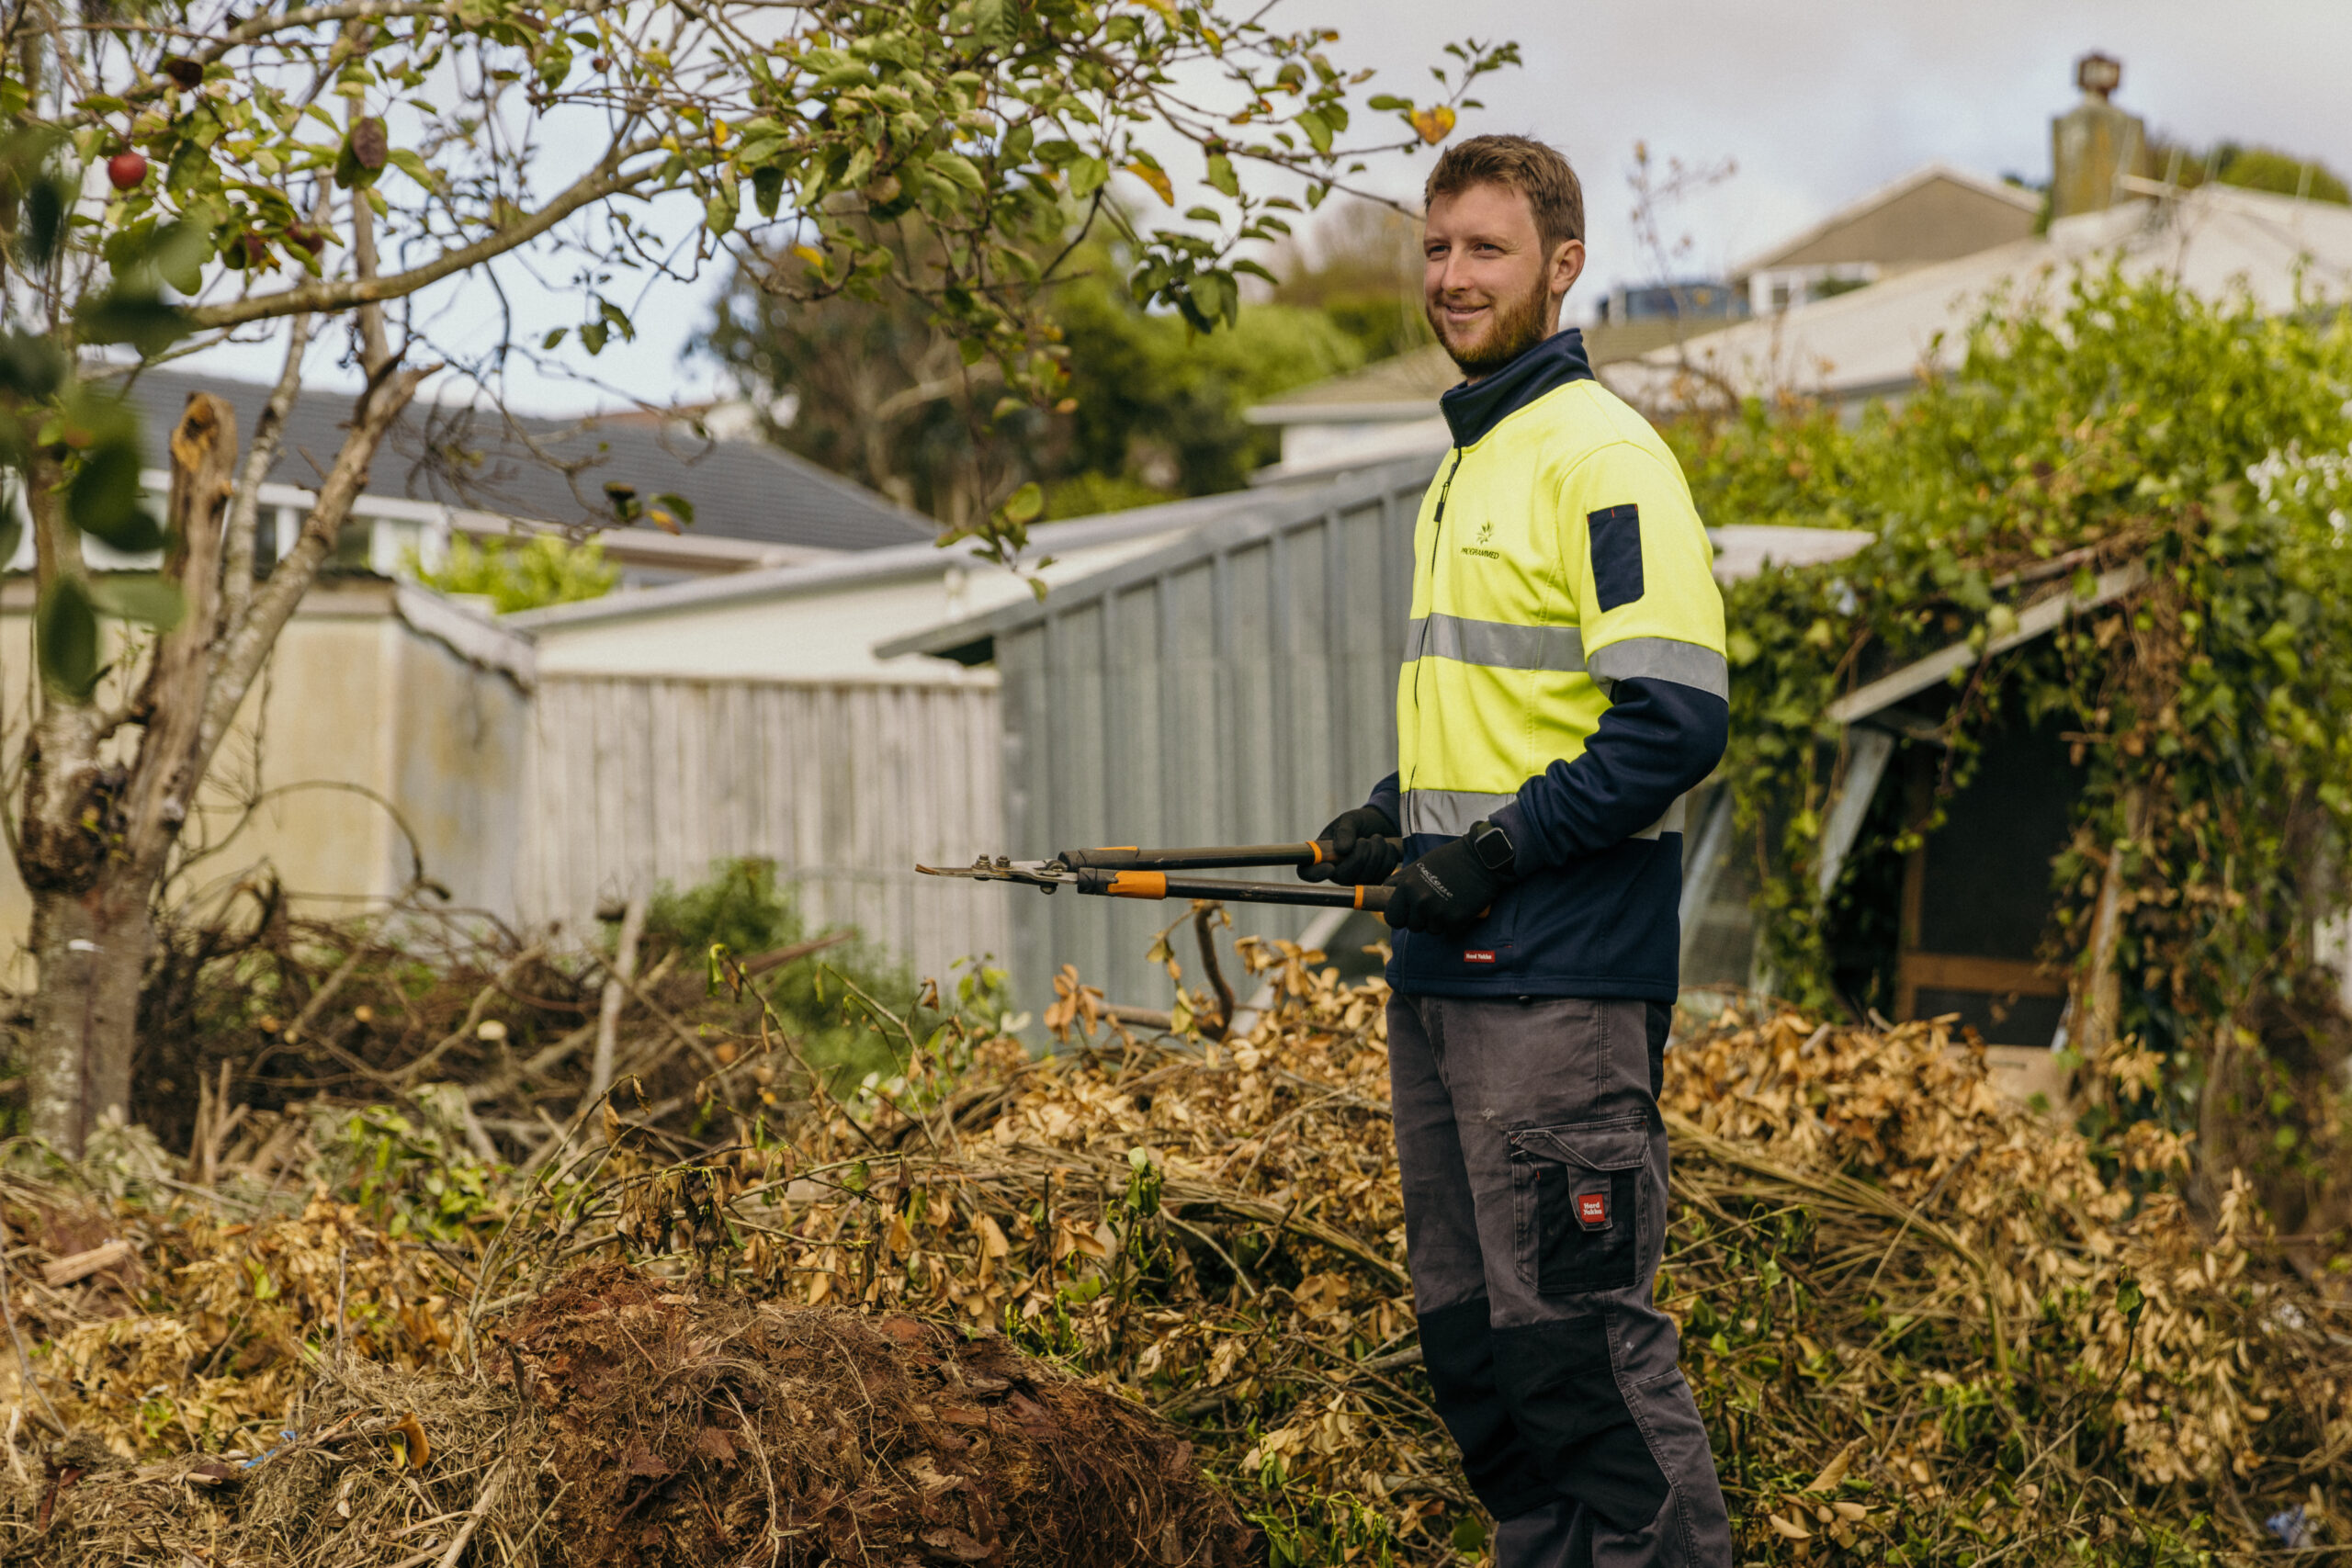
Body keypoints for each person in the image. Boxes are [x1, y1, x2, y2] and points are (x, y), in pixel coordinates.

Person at [1298, 135, 1733, 1568]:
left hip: (1555, 987)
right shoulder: (1474, 455)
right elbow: (1507, 717)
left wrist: (1486, 857)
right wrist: (1394, 809)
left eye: (1484, 249)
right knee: (1482, 1363)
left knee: (1583, 1363)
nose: (1451, 277)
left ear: (1561, 266)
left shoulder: (1602, 458)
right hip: (1447, 982)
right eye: (1435, 249)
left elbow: (1670, 723)